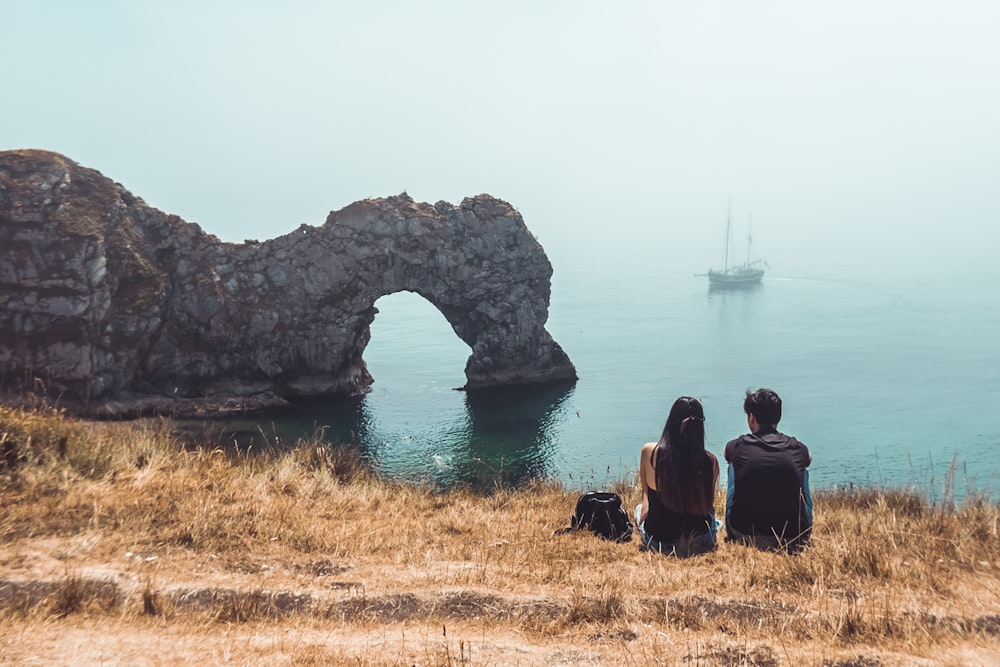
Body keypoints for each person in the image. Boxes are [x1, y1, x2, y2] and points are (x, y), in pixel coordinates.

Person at [724, 388, 813, 551]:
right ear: (778, 417)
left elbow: (726, 453)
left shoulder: (738, 445)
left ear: (751, 418)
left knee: (732, 466)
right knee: (803, 470)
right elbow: (809, 458)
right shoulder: (797, 447)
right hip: (795, 534)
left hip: (743, 532)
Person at [635, 396, 720, 556]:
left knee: (639, 509)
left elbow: (646, 496)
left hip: (659, 540)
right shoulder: (711, 461)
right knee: (713, 518)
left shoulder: (650, 453)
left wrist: (641, 520)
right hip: (701, 538)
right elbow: (708, 505)